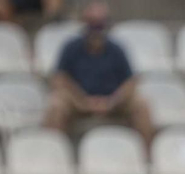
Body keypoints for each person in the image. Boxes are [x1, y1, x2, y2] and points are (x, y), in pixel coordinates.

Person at [43, 3, 154, 147]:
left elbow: (131, 81)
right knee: (56, 105)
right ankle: (52, 151)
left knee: (142, 105)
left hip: (113, 103)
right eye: (92, 24)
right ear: (84, 23)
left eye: (100, 24)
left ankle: (146, 156)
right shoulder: (71, 48)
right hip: (78, 102)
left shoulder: (117, 49)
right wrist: (82, 101)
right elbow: (59, 79)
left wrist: (112, 101)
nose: (96, 29)